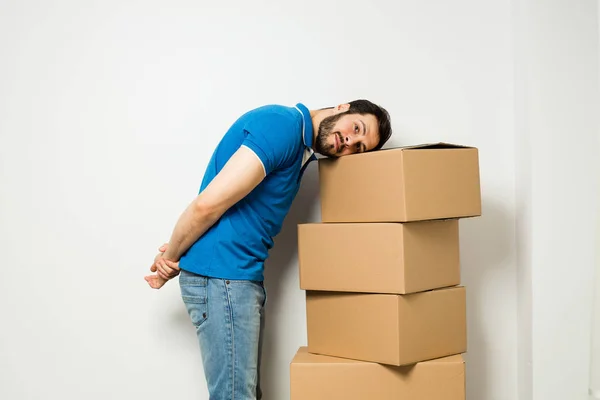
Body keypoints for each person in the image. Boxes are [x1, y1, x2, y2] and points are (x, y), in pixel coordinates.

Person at [144, 100, 392, 399]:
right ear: (343, 107)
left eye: (359, 147)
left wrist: (173, 251)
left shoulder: (300, 147)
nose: (350, 141)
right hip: (223, 277)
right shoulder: (282, 127)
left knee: (243, 394)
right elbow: (208, 204)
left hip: (234, 278)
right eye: (356, 128)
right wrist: (169, 259)